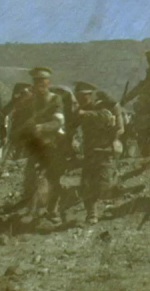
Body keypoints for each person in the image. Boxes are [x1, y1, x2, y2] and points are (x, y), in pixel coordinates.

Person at [12, 67, 66, 224]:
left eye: (43, 81)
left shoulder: (55, 99)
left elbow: (58, 122)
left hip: (53, 144)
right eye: (36, 81)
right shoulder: (30, 101)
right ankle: (32, 210)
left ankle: (53, 210)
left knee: (52, 178)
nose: (40, 84)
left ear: (48, 82)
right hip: (35, 145)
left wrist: (42, 127)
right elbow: (21, 119)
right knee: (32, 177)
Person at [72, 82, 124, 224]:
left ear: (90, 95)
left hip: (104, 151)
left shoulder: (101, 106)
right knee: (87, 184)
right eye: (79, 97)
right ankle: (92, 214)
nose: (81, 100)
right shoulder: (81, 110)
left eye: (84, 96)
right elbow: (73, 124)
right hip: (90, 151)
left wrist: (85, 113)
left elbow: (105, 116)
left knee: (104, 185)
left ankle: (116, 184)